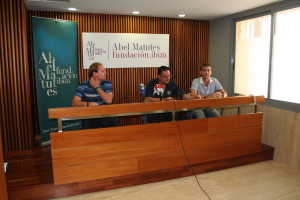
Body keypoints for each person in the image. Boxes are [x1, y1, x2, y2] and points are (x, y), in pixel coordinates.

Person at [72, 62, 120, 129]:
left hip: (105, 115)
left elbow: (109, 100)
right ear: (95, 74)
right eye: (103, 71)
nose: (105, 73)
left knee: (116, 129)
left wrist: (97, 87)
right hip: (90, 116)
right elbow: (75, 103)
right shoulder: (83, 85)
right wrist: (88, 104)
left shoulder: (107, 84)